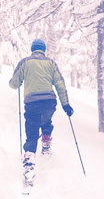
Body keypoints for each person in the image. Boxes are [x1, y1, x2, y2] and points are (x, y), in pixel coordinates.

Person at [9, 38, 74, 185]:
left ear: (32, 49)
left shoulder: (25, 62)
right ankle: (45, 147)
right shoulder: (51, 63)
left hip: (32, 102)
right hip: (49, 102)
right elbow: (60, 84)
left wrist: (14, 82)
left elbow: (14, 84)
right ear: (43, 50)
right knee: (46, 121)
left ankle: (29, 165)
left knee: (32, 132)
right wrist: (66, 105)